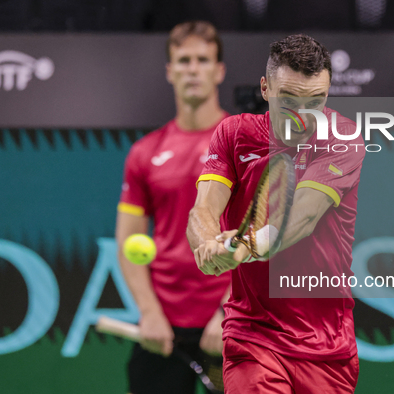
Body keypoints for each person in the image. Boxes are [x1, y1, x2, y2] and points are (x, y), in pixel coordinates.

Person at [187, 34, 364, 393]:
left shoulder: (342, 136)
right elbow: (203, 209)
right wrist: (206, 245)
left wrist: (252, 244)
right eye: (289, 100)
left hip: (328, 346)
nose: (302, 115)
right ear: (265, 89)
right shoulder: (234, 134)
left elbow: (304, 215)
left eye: (316, 101)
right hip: (253, 336)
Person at [115, 21, 230, 394]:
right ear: (169, 71)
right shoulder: (145, 152)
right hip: (163, 325)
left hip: (234, 322)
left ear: (219, 70)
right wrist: (149, 313)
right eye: (183, 60)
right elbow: (128, 240)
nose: (192, 69)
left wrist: (229, 312)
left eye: (202, 59)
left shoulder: (247, 144)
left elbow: (269, 236)